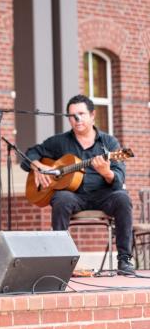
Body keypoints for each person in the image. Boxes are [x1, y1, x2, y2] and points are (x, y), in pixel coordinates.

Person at [21, 94, 135, 275]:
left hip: (103, 195)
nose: (77, 119)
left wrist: (106, 172)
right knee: (61, 198)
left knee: (122, 198)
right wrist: (38, 166)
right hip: (74, 196)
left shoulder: (109, 143)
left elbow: (118, 180)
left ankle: (124, 260)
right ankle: (61, 260)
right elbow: (29, 154)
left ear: (92, 115)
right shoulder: (60, 142)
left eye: (81, 114)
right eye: (72, 116)